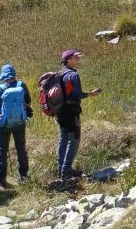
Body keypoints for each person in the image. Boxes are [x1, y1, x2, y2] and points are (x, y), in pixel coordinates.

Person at [56, 50, 101, 180]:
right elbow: (77, 94)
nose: (78, 60)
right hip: (71, 112)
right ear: (68, 60)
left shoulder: (59, 74)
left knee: (63, 139)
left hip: (60, 112)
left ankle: (60, 169)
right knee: (74, 140)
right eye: (76, 58)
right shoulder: (73, 75)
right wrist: (91, 94)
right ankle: (67, 170)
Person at [0, 64, 32, 187]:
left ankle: (1, 178)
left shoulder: (0, 88)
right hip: (19, 122)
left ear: (3, 75)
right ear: (13, 73)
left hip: (4, 123)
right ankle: (23, 175)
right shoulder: (21, 85)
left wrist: (1, 110)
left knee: (2, 150)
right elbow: (28, 102)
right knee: (21, 148)